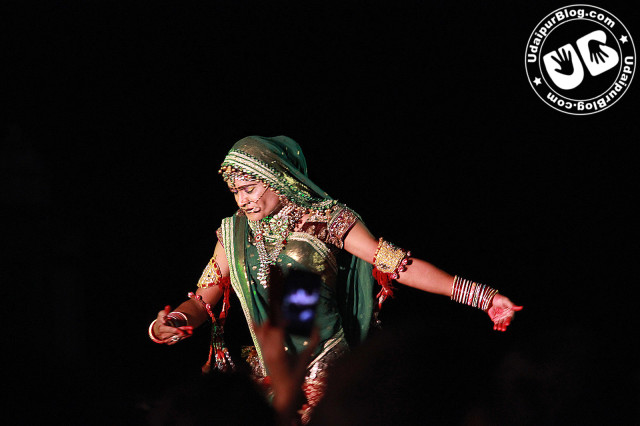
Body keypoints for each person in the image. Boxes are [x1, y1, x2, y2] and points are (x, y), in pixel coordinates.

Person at [148, 135, 523, 423]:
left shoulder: (327, 219)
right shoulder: (234, 233)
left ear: (277, 178)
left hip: (327, 371)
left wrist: (481, 296)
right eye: (235, 192)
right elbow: (205, 298)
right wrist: (174, 321)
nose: (242, 200)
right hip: (269, 372)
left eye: (250, 188)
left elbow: (397, 264)